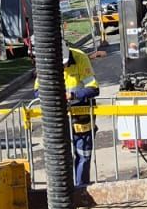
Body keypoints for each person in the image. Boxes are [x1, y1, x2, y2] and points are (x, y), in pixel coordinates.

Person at [35, 39, 100, 187]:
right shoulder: (46, 61)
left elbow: (93, 89)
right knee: (60, 156)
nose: (62, 67)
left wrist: (72, 95)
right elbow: (37, 91)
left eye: (64, 64)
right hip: (57, 118)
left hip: (81, 115)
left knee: (83, 154)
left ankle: (81, 188)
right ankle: (64, 189)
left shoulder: (80, 57)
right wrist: (53, 97)